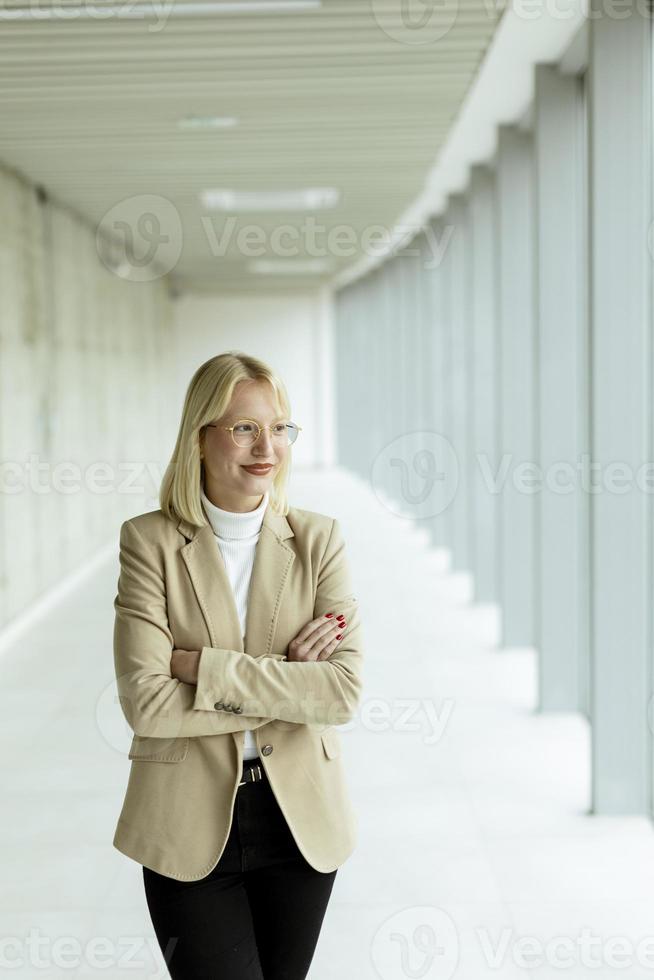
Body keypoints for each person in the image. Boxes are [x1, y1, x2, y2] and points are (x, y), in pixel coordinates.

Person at [112, 350, 364, 980]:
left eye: (280, 427)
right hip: (185, 820)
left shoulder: (319, 539)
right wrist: (287, 682)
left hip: (299, 820)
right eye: (245, 427)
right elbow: (146, 702)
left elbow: (339, 693)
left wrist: (204, 668)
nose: (267, 447)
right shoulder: (149, 542)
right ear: (201, 436)